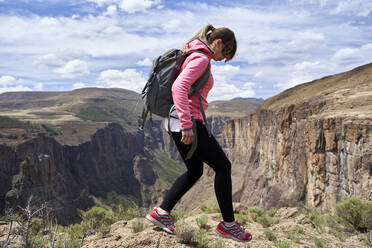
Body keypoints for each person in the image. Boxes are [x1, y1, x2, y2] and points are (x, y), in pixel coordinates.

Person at [146, 24, 252, 242]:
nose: (224, 59)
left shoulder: (193, 53)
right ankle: (228, 225)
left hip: (176, 122)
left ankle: (161, 212)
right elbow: (178, 87)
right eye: (226, 53)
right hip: (187, 123)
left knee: (194, 170)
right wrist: (187, 124)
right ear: (218, 42)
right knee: (223, 166)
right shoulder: (201, 58)